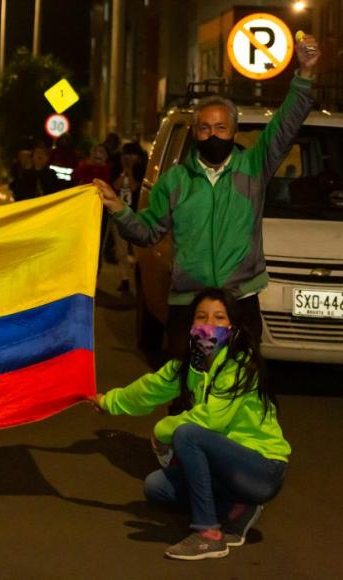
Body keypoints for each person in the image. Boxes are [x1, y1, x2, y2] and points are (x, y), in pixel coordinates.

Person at [95, 35, 320, 356]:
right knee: (187, 393)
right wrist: (119, 208)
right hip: (189, 304)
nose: (212, 135)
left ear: (234, 131)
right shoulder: (176, 180)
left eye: (221, 128)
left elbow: (285, 127)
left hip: (239, 302)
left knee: (239, 391)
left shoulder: (254, 168)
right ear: (194, 132)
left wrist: (305, 75)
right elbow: (147, 232)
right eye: (204, 128)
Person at [90, 288, 290, 560]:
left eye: (219, 318)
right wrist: (107, 402)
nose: (209, 324)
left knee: (188, 434)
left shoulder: (241, 366)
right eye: (202, 317)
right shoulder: (188, 367)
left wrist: (163, 430)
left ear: (232, 326)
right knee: (156, 487)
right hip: (227, 469)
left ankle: (208, 534)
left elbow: (212, 421)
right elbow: (148, 389)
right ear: (192, 324)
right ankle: (239, 506)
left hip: (261, 468)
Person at [108, 141, 147, 293]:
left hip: (136, 214)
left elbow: (133, 187)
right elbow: (116, 186)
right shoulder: (117, 168)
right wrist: (124, 170)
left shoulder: (141, 170)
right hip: (118, 215)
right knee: (121, 249)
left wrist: (130, 170)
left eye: (132, 155)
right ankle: (125, 279)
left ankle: (138, 280)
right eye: (126, 154)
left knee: (137, 250)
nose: (128, 157)